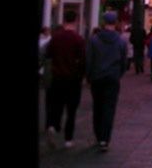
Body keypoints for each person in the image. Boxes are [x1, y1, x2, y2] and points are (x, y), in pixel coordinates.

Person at [85, 11, 127, 152]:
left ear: (103, 23)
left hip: (97, 77)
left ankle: (98, 135)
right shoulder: (120, 40)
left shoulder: (94, 39)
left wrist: (88, 76)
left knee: (97, 106)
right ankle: (105, 139)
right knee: (109, 108)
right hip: (112, 78)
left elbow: (89, 59)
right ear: (115, 23)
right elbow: (123, 61)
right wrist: (119, 74)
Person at [44, 11, 86, 148]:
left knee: (57, 105)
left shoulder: (55, 38)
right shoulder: (78, 39)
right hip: (73, 79)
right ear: (75, 21)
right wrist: (82, 76)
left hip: (57, 77)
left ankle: (53, 126)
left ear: (64, 20)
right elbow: (83, 60)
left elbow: (48, 55)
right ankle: (68, 139)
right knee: (71, 110)